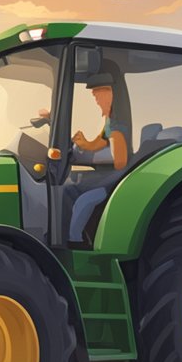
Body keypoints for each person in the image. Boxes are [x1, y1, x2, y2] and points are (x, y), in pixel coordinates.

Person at [67, 73, 128, 244]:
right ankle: (85, 235)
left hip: (116, 181)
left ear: (110, 94)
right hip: (109, 177)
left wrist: (99, 157)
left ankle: (75, 241)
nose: (96, 101)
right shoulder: (109, 122)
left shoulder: (117, 128)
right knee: (69, 189)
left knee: (84, 200)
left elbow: (120, 161)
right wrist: (82, 142)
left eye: (97, 96)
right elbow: (96, 144)